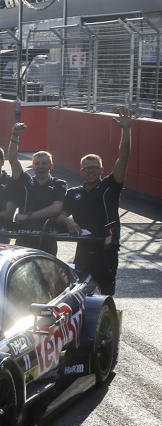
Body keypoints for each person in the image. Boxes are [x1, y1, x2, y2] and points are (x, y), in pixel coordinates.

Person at [60, 106, 134, 295]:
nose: (90, 171)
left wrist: (126, 130)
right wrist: (68, 221)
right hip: (84, 250)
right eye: (87, 168)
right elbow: (61, 213)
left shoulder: (110, 186)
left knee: (105, 296)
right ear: (81, 171)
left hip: (107, 250)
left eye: (94, 167)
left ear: (102, 170)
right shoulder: (73, 192)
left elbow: (123, 158)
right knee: (79, 293)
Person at [7, 122, 68, 255]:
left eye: (44, 163)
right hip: (24, 238)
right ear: (32, 166)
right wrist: (14, 136)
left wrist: (28, 216)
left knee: (46, 275)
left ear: (51, 165)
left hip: (47, 238)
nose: (40, 166)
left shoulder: (60, 184)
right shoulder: (26, 181)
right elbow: (12, 159)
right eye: (37, 163)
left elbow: (56, 208)